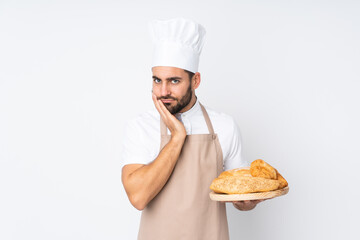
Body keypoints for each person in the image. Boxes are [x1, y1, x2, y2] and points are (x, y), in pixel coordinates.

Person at [121, 18, 264, 240]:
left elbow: (242, 196)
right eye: (157, 80)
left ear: (195, 80)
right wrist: (177, 137)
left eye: (174, 81)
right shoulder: (141, 126)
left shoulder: (224, 126)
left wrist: (246, 202)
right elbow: (138, 197)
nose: (163, 91)